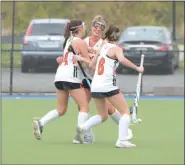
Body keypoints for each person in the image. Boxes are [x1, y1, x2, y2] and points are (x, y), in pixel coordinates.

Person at [57, 15, 133, 144]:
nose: (97, 29)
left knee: (108, 109)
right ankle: (81, 135)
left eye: (101, 27)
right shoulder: (84, 41)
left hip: (97, 79)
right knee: (83, 106)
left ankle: (124, 128)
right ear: (91, 27)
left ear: (103, 30)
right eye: (95, 26)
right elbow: (72, 55)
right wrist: (62, 59)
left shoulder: (104, 44)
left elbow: (101, 61)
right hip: (85, 78)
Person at [76, 24, 144, 148]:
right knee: (125, 112)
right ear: (118, 37)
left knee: (103, 115)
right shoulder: (116, 48)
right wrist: (137, 68)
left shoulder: (102, 47)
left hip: (95, 85)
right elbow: (122, 60)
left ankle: (83, 127)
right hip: (108, 85)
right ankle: (122, 140)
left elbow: (91, 65)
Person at [33, 19, 91, 141]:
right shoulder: (80, 42)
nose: (85, 29)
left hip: (60, 76)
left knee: (61, 109)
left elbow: (68, 58)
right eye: (84, 27)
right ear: (79, 29)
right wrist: (89, 58)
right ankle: (80, 136)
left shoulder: (68, 40)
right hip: (71, 78)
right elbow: (89, 63)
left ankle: (41, 122)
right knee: (84, 106)